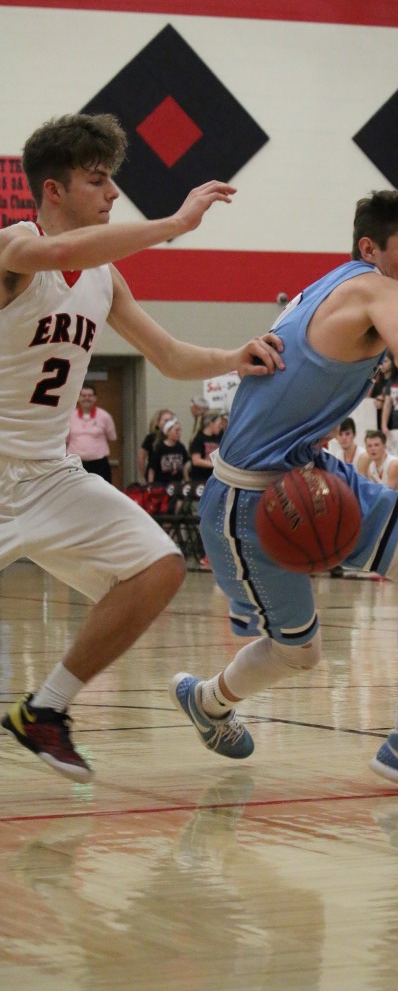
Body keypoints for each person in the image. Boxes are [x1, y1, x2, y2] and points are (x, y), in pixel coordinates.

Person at [168, 187, 398, 795]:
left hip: (305, 472)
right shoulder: (380, 290)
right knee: (298, 652)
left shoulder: (332, 284)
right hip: (251, 497)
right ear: (370, 249)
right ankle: (208, 700)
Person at [0, 112, 283, 780]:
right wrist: (176, 224)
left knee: (158, 566)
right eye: (97, 181)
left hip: (48, 474)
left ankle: (45, 710)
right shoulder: (15, 246)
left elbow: (168, 354)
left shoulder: (105, 278)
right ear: (53, 190)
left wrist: (234, 358)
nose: (112, 193)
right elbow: (59, 255)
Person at [66, 384, 117, 482]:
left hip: (99, 464)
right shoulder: (70, 417)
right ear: (78, 398)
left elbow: (112, 437)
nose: (87, 398)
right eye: (83, 396)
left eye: (90, 395)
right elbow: (65, 440)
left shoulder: (105, 416)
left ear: (95, 398)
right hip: (75, 464)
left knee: (102, 490)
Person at [147, 416, 191, 485]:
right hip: (162, 484)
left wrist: (187, 481)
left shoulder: (180, 447)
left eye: (180, 430)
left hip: (177, 484)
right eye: (176, 430)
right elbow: (152, 469)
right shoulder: (160, 448)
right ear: (167, 432)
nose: (179, 433)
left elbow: (184, 466)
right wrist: (150, 485)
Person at [189, 412, 225, 488]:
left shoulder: (219, 437)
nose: (221, 426)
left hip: (215, 478)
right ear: (210, 423)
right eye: (219, 424)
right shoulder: (199, 439)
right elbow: (196, 461)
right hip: (200, 479)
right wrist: (215, 464)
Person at [138, 407, 175, 480]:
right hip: (156, 478)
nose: (169, 423)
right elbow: (141, 457)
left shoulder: (174, 438)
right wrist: (143, 476)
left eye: (171, 421)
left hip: (172, 478)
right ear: (158, 423)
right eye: (166, 420)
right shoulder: (151, 438)